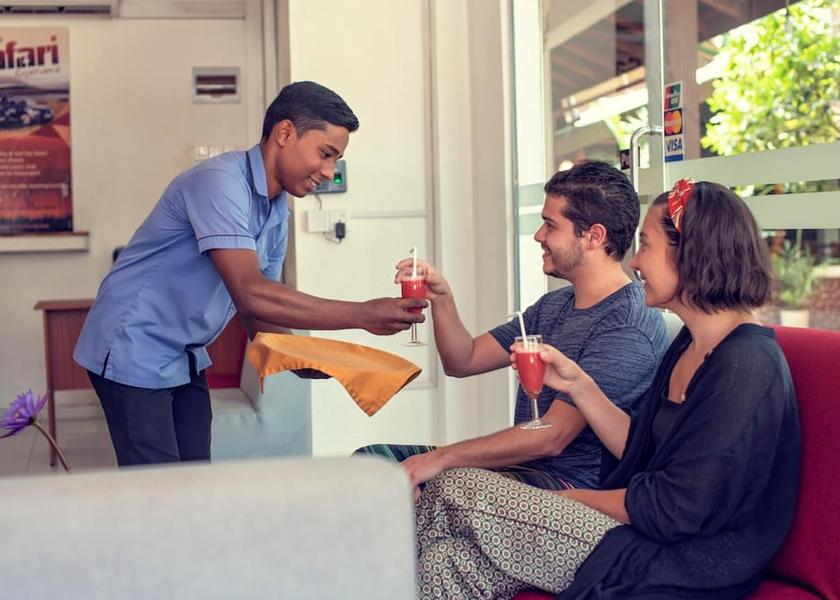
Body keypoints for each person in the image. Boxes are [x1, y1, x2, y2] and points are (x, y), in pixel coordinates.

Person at [414, 180, 801, 599]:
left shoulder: (745, 365)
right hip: (644, 534)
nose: (636, 261)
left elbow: (675, 510)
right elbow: (642, 452)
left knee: (455, 486)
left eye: (647, 246)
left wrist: (570, 499)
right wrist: (580, 386)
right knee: (446, 562)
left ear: (690, 254)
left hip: (682, 561)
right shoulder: (690, 345)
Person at [73, 81, 426, 466]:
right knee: (158, 494)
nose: (328, 172)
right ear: (285, 133)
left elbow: (259, 315)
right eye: (325, 154)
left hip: (183, 355)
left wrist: (310, 358)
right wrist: (362, 315)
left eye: (335, 160)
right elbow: (249, 292)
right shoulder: (219, 182)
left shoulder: (277, 212)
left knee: (194, 479)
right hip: (133, 344)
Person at [357, 161, 667, 493]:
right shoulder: (555, 305)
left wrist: (443, 458)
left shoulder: (627, 324)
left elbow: (552, 438)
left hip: (568, 488)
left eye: (550, 225)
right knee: (374, 463)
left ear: (593, 236)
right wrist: (442, 299)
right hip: (523, 471)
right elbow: (464, 360)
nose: (538, 236)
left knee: (430, 486)